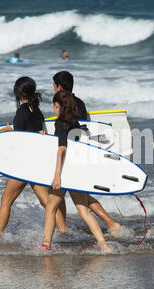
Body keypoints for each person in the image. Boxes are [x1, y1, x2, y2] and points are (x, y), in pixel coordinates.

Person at [0, 77, 67, 244]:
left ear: (18, 93)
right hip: (36, 163)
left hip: (23, 165)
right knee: (47, 202)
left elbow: (19, 140)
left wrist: (9, 136)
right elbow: (34, 133)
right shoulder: (37, 111)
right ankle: (63, 230)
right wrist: (12, 128)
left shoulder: (21, 112)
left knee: (5, 200)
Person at [52, 71, 122, 234]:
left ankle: (64, 230)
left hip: (69, 158)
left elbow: (65, 133)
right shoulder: (80, 103)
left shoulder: (64, 105)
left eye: (54, 85)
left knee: (71, 198)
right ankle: (109, 224)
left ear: (59, 86)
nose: (53, 89)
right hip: (81, 154)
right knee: (79, 197)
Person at [42, 90, 111, 252]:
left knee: (51, 209)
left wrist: (57, 176)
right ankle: (103, 244)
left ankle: (46, 245)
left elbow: (61, 150)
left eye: (54, 105)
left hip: (65, 173)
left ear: (57, 106)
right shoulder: (76, 123)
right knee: (84, 211)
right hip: (76, 171)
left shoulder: (60, 123)